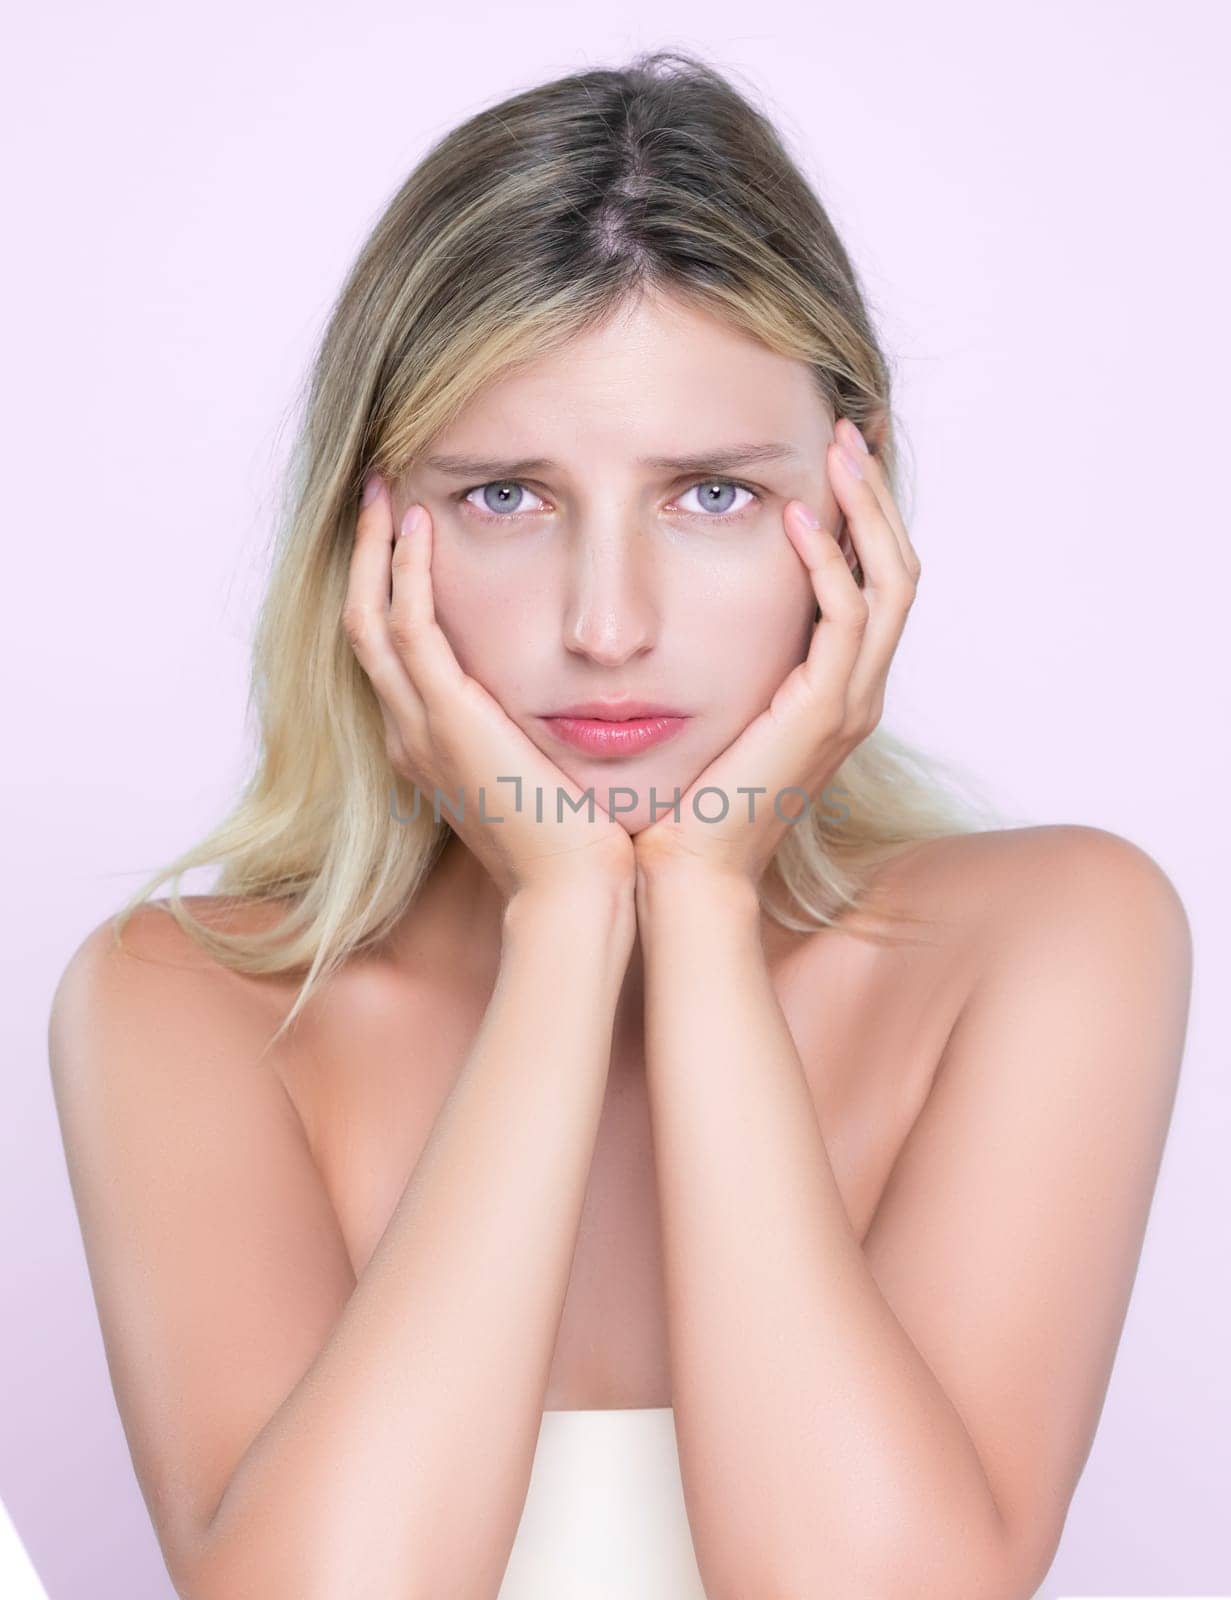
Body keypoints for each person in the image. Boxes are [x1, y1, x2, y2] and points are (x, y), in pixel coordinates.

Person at [47, 47, 1192, 1600]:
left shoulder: (1055, 940)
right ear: (369, 539)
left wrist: (704, 912)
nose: (607, 624)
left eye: (710, 494)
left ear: (856, 520)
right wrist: (566, 921)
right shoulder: (185, 1004)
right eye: (505, 495)